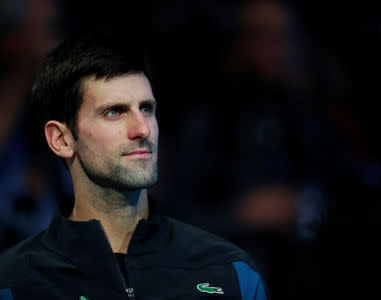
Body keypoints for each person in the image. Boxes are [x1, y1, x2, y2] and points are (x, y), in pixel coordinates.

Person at [0, 33, 268, 299]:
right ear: (61, 139)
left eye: (147, 108)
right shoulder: (13, 282)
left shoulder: (231, 272)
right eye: (114, 111)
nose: (142, 129)